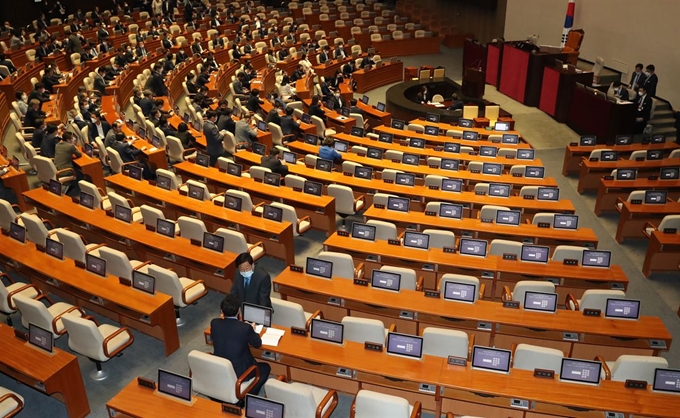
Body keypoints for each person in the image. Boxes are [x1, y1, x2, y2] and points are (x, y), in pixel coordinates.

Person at [210, 294, 270, 397]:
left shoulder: (214, 323)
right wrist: (252, 330)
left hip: (220, 369)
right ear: (238, 310)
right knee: (265, 368)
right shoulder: (245, 328)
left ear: (222, 311)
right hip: (240, 372)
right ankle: (246, 396)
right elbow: (257, 344)